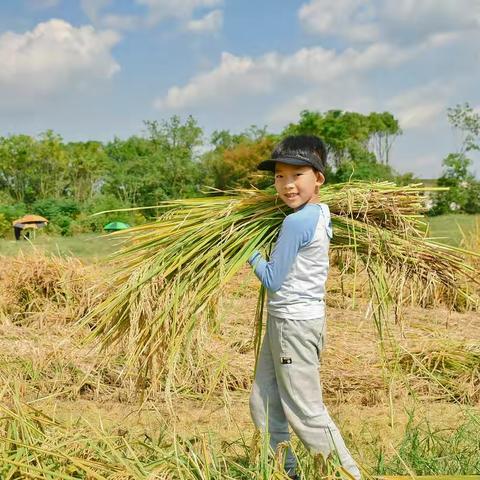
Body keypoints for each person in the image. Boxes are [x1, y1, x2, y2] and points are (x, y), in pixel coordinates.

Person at [247, 135, 361, 480]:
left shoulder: (295, 221)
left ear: (318, 178)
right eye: (280, 176)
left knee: (304, 409)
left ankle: (347, 475)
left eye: (297, 174)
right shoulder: (319, 212)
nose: (287, 184)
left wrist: (249, 252)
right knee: (264, 399)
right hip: (289, 322)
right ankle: (285, 472)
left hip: (293, 325)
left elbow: (273, 279)